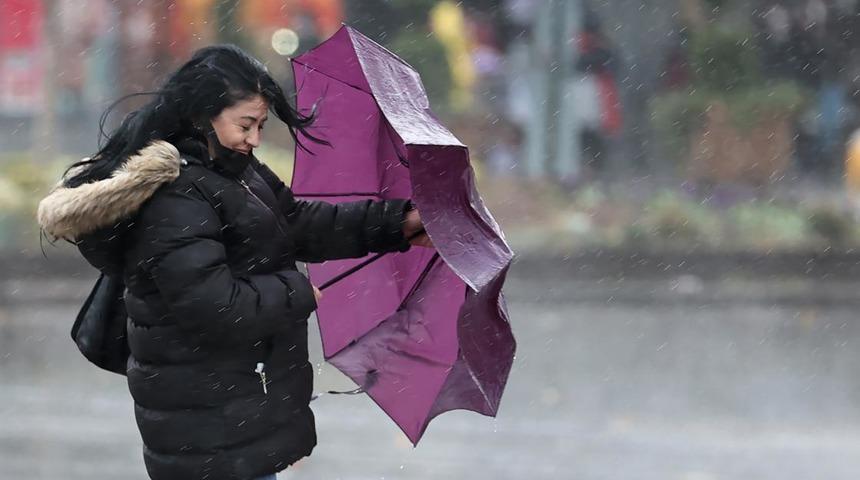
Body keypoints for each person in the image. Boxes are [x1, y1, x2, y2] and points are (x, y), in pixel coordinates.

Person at [36, 44, 432, 480]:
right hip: (205, 426)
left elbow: (295, 223)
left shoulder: (233, 169)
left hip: (233, 412)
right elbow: (213, 304)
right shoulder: (177, 194)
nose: (255, 138)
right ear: (203, 114)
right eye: (246, 124)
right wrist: (297, 292)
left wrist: (397, 224)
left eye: (261, 125)